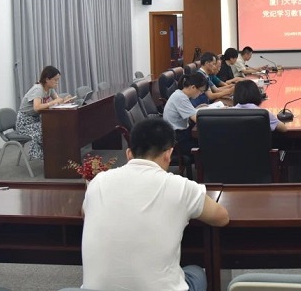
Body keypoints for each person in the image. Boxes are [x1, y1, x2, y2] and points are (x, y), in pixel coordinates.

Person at [81, 118, 229, 291]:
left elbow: (85, 213)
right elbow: (222, 218)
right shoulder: (181, 187)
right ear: (168, 154)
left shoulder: (98, 182)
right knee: (196, 271)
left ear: (129, 154)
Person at [16, 65, 74, 160]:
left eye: (58, 80)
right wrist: (53, 102)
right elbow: (37, 107)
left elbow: (57, 100)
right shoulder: (38, 89)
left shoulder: (50, 89)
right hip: (25, 123)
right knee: (48, 128)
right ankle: (48, 157)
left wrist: (64, 100)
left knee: (56, 126)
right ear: (47, 79)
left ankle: (59, 153)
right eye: (55, 80)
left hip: (36, 120)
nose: (57, 82)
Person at [163, 73, 208, 156]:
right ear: (193, 87)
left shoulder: (180, 94)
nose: (201, 94)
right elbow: (198, 120)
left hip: (180, 134)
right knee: (207, 146)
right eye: (201, 91)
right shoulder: (181, 98)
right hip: (178, 138)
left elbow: (189, 113)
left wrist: (196, 109)